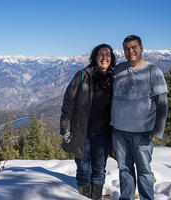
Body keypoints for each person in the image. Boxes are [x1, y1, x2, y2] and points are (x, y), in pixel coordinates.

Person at [110, 35, 168, 200]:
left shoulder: (152, 71)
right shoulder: (119, 69)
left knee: (144, 170)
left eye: (134, 47)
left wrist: (158, 129)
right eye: (127, 49)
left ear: (141, 48)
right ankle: (126, 197)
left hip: (142, 131)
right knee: (124, 169)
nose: (130, 51)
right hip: (119, 130)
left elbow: (162, 102)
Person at [60, 44, 116, 199]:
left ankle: (96, 197)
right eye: (101, 54)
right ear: (94, 57)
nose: (104, 58)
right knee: (84, 169)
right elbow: (68, 101)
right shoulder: (83, 75)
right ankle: (83, 197)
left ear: (112, 58)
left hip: (104, 133)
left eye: (108, 55)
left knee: (99, 170)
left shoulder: (115, 77)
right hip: (81, 132)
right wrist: (65, 127)